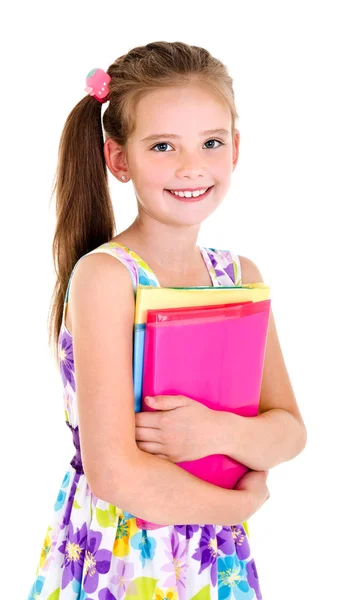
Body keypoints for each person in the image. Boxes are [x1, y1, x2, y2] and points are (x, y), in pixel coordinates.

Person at [27, 41, 307, 600]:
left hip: (213, 561)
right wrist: (240, 505)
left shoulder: (237, 275)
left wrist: (218, 433)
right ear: (119, 159)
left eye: (211, 142)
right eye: (162, 146)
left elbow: (290, 432)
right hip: (122, 554)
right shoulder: (109, 277)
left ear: (235, 150)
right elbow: (116, 475)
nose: (191, 167)